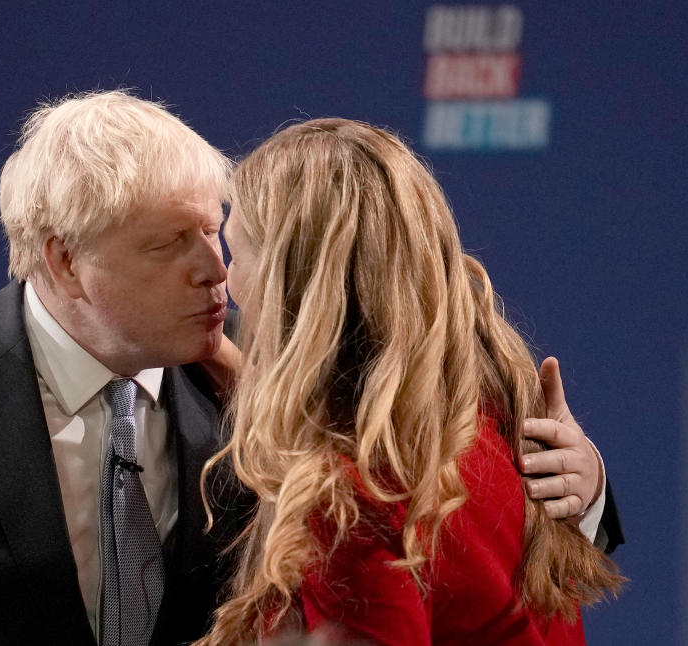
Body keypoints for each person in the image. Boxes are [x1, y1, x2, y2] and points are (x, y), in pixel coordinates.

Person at [0, 92, 617, 646]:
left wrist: (590, 497)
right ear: (64, 261)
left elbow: (461, 545)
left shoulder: (276, 420)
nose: (215, 270)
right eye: (171, 245)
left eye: (218, 231)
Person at [196, 118, 624, 646]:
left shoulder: (357, 494)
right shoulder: (496, 396)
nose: (222, 276)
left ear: (298, 285)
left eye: (235, 253)